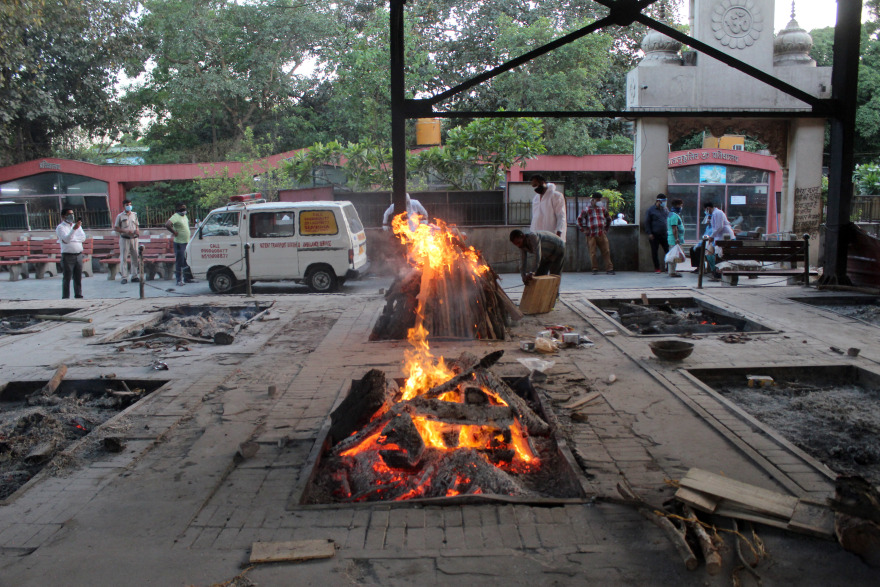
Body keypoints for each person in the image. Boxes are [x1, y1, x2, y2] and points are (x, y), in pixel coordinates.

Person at [576, 192, 614, 275]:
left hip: (601, 233)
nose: (599, 201)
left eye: (600, 200)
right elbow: (579, 220)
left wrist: (606, 229)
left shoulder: (602, 209)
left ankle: (609, 268)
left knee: (606, 251)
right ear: (593, 200)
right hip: (591, 234)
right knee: (592, 252)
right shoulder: (587, 209)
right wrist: (583, 230)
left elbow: (609, 219)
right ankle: (595, 268)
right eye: (597, 200)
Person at [56, 208, 87, 299]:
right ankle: (66, 297)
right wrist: (73, 230)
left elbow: (83, 238)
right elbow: (66, 239)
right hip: (67, 256)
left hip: (78, 254)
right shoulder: (61, 227)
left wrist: (73, 238)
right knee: (67, 277)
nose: (71, 216)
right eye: (69, 214)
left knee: (78, 277)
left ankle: (78, 294)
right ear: (63, 216)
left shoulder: (77, 225)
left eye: (72, 214)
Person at [529, 175, 566, 242]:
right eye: (533, 186)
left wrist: (558, 233)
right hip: (537, 237)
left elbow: (561, 216)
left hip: (552, 236)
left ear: (542, 182)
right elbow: (534, 218)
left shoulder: (556, 196)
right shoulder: (535, 198)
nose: (535, 188)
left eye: (536, 185)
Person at [113, 198, 140, 284]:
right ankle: (124, 276)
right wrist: (125, 231)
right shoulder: (120, 216)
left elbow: (137, 225)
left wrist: (137, 231)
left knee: (135, 257)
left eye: (130, 204)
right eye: (127, 205)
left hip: (134, 239)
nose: (129, 206)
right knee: (124, 258)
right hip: (125, 238)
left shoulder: (134, 215)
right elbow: (116, 228)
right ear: (124, 206)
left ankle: (134, 276)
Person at [165, 203, 192, 286]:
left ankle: (187, 278)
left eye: (185, 208)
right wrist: (174, 232)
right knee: (179, 261)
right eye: (182, 208)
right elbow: (167, 224)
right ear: (178, 209)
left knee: (186, 261)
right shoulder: (175, 216)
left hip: (186, 241)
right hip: (179, 242)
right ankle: (178, 280)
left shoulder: (184, 216)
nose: (184, 210)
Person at [644, 194, 670, 273]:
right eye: (663, 201)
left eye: (665, 201)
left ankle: (668, 267)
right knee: (654, 252)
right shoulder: (651, 210)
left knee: (668, 251)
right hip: (654, 235)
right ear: (658, 201)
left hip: (664, 234)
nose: (664, 203)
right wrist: (649, 233)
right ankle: (657, 268)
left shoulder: (666, 209)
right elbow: (647, 222)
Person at [666, 198, 685, 278]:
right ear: (677, 205)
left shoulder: (672, 214)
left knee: (675, 255)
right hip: (674, 239)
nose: (681, 207)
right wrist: (676, 238)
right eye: (680, 205)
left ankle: (673, 271)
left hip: (673, 238)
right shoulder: (674, 215)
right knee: (673, 256)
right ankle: (672, 272)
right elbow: (674, 228)